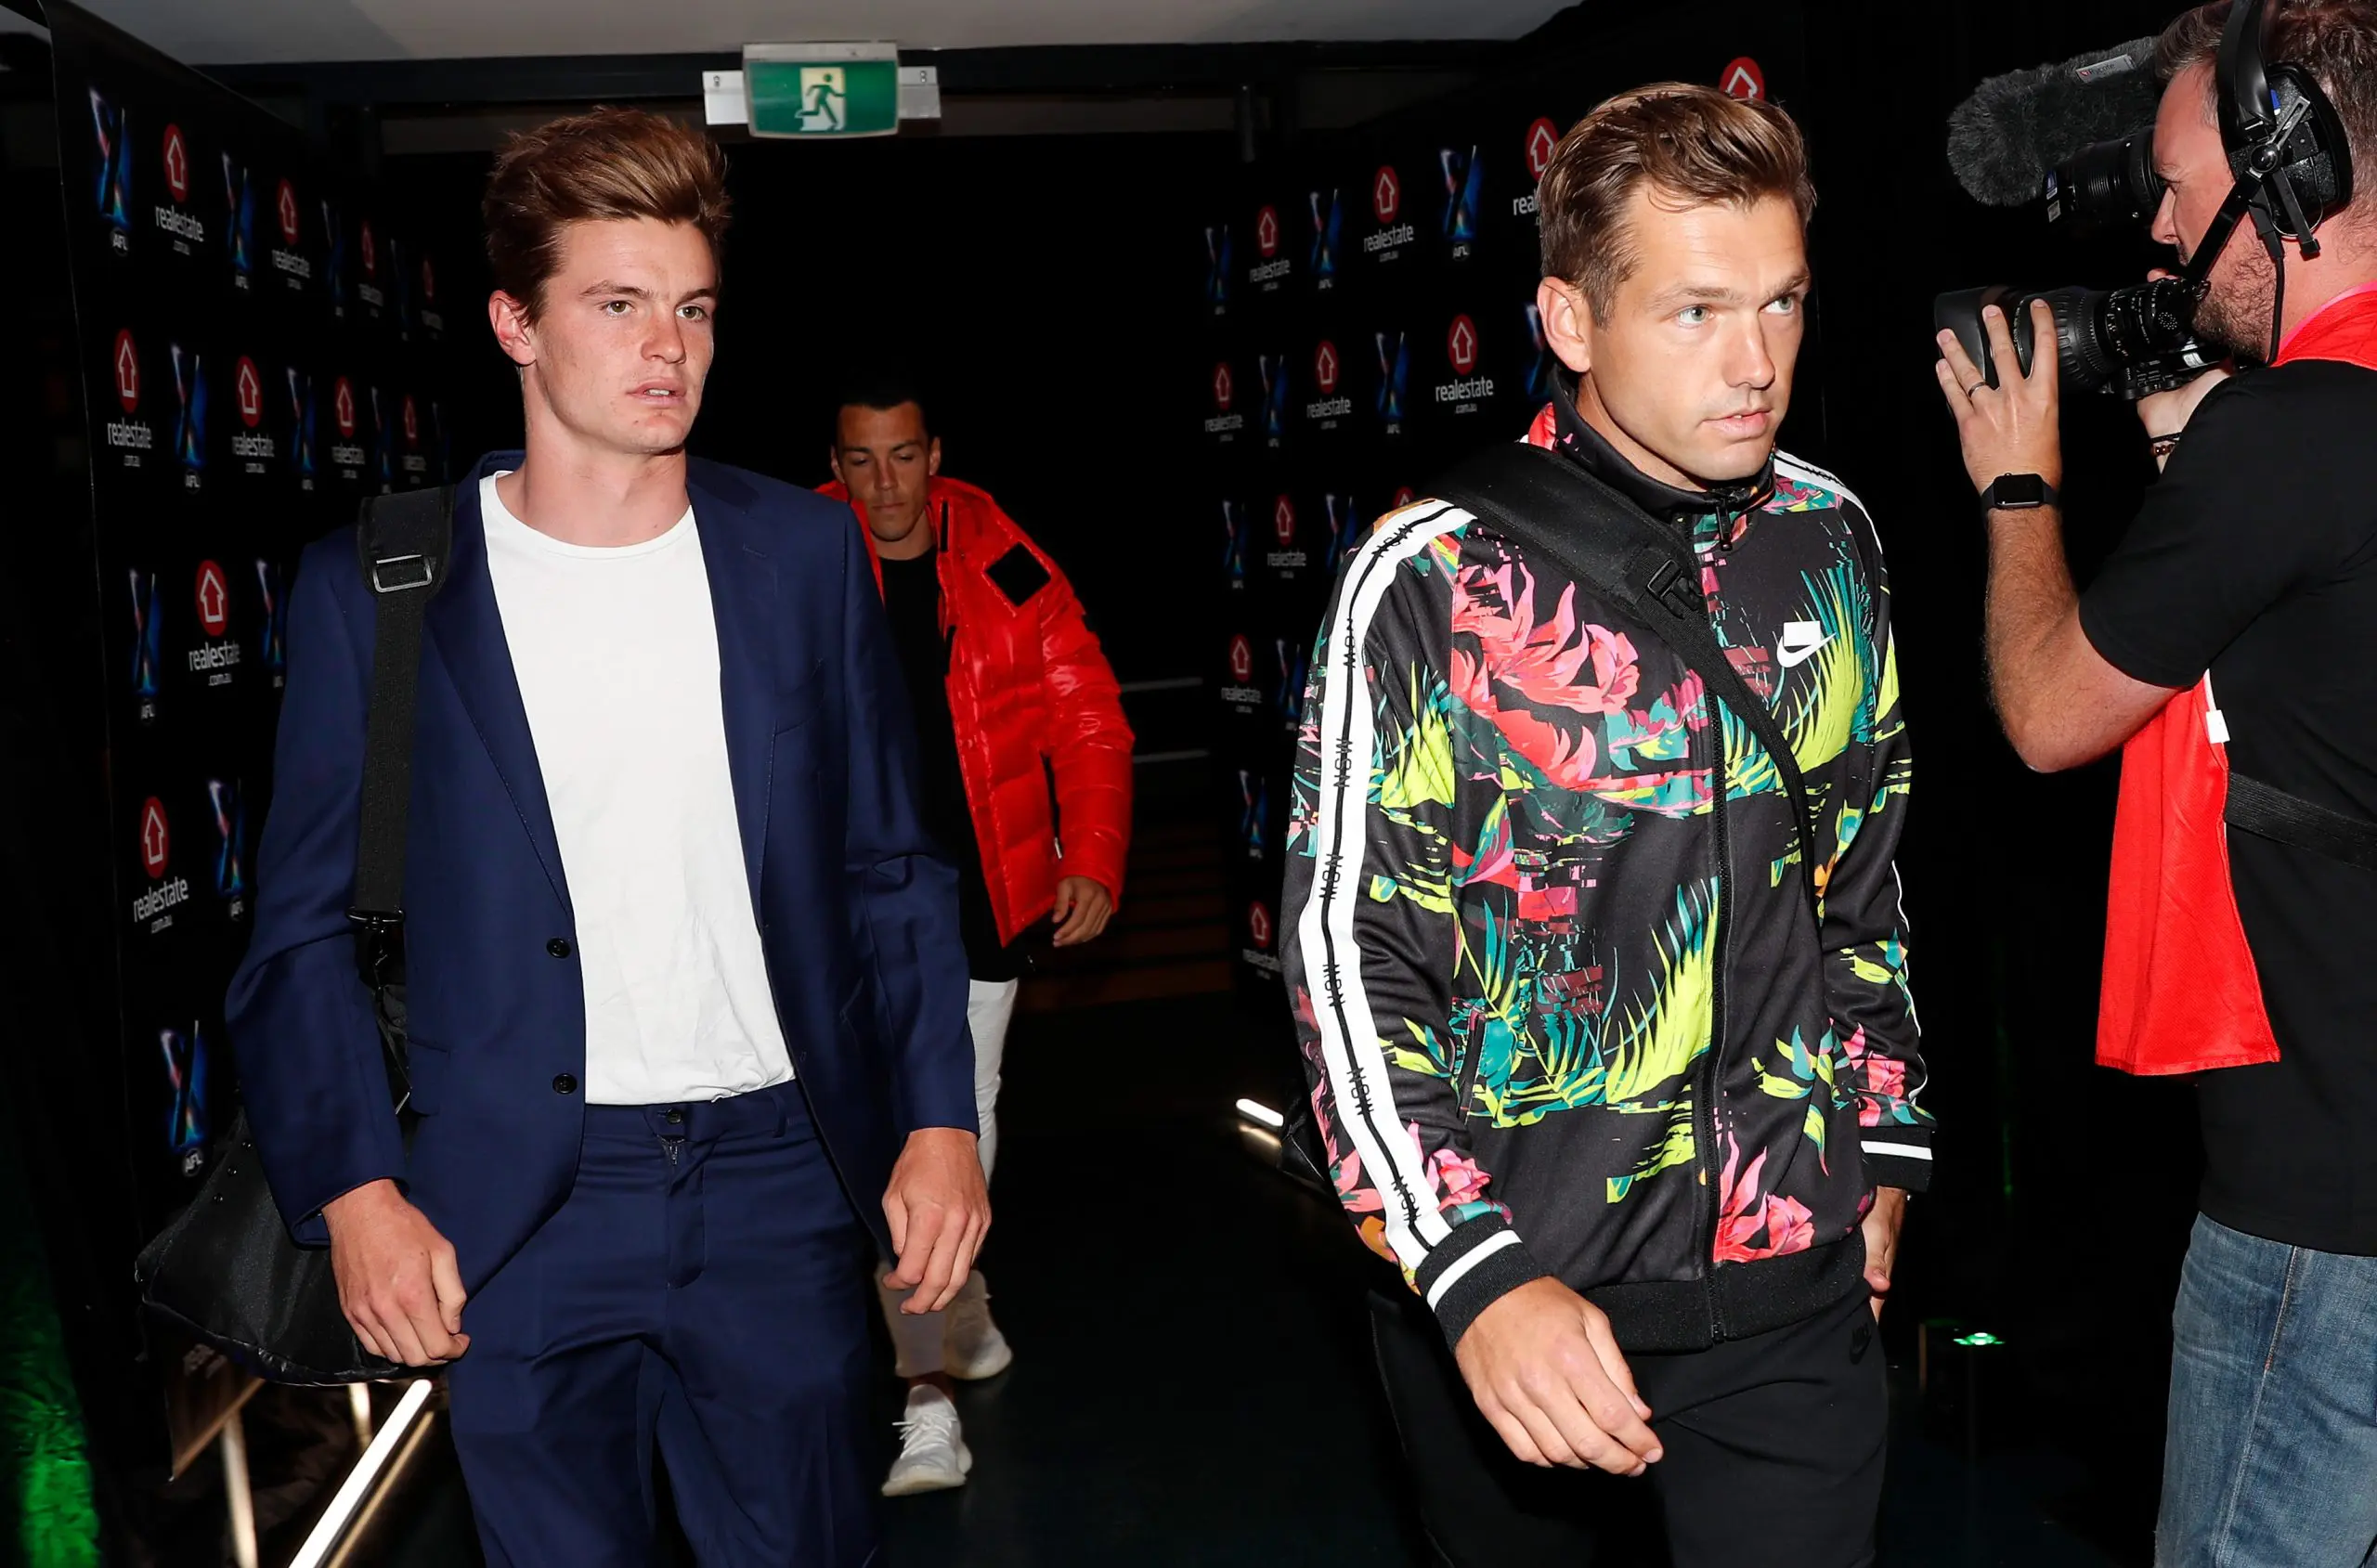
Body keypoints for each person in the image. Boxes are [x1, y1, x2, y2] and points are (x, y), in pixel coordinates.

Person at [227, 109, 988, 1565]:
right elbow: (303, 930)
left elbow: (890, 867)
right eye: (619, 304)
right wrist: (357, 1190)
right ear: (515, 323)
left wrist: (942, 1121)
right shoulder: (384, 585)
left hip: (779, 1177)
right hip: (514, 1203)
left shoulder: (802, 554)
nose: (667, 348)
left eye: (693, 309)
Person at [1282, 84, 1930, 1567]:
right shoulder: (1429, 580)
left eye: (1781, 303)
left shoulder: (1829, 539)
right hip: (1520, 1296)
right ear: (1571, 321)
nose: (1756, 363)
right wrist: (1472, 1271)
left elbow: (1862, 879)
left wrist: (1884, 1146)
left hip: (1792, 1288)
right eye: (1697, 311)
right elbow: (1348, 958)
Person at [1936, 3, 2377, 1562]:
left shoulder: (2292, 437)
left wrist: (2017, 480)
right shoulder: (2312, 434)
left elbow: (2052, 713)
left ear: (2295, 172)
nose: (2164, 231)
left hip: (2322, 1218)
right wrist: (2196, 450)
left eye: (2185, 187)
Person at [820, 380, 1134, 1495]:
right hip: (844, 905)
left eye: (904, 456)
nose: (885, 486)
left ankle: (926, 1394)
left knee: (956, 1117)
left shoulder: (1001, 556)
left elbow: (1084, 707)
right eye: (862, 461)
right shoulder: (799, 556)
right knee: (880, 1133)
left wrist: (1090, 852)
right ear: (836, 464)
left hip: (982, 894)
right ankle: (958, 1317)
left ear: (935, 453)